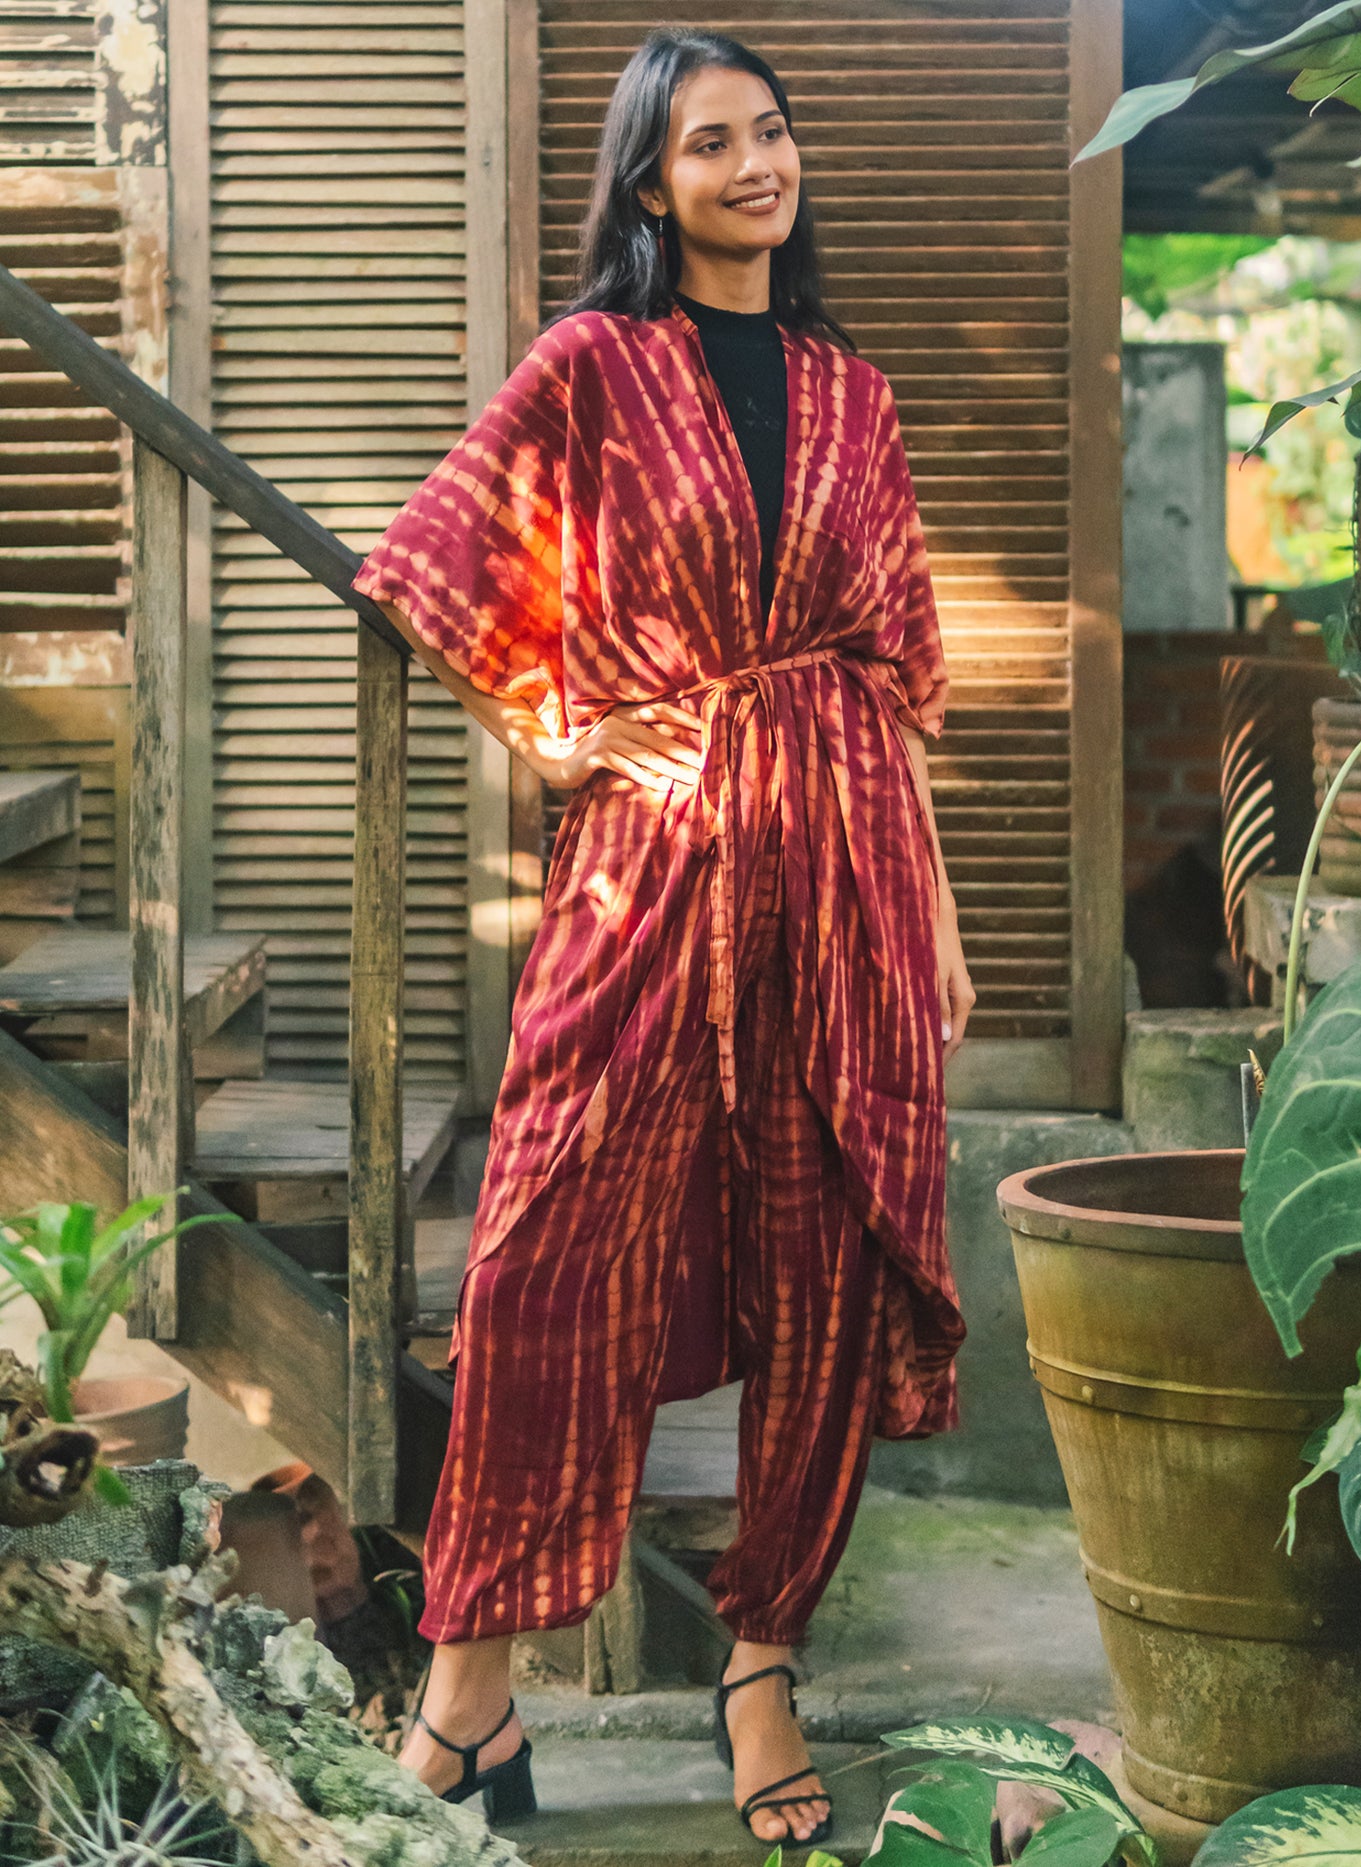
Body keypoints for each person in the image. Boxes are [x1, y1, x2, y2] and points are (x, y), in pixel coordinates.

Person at [352, 25, 975, 1846]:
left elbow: (896, 678)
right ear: (650, 182)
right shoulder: (593, 365)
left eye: (772, 132)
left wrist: (931, 919)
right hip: (651, 871)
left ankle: (759, 1667)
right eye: (713, 143)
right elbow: (439, 562)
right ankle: (469, 1699)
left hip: (849, 863)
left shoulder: (853, 391)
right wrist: (561, 732)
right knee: (544, 1258)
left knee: (823, 1265)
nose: (756, 165)